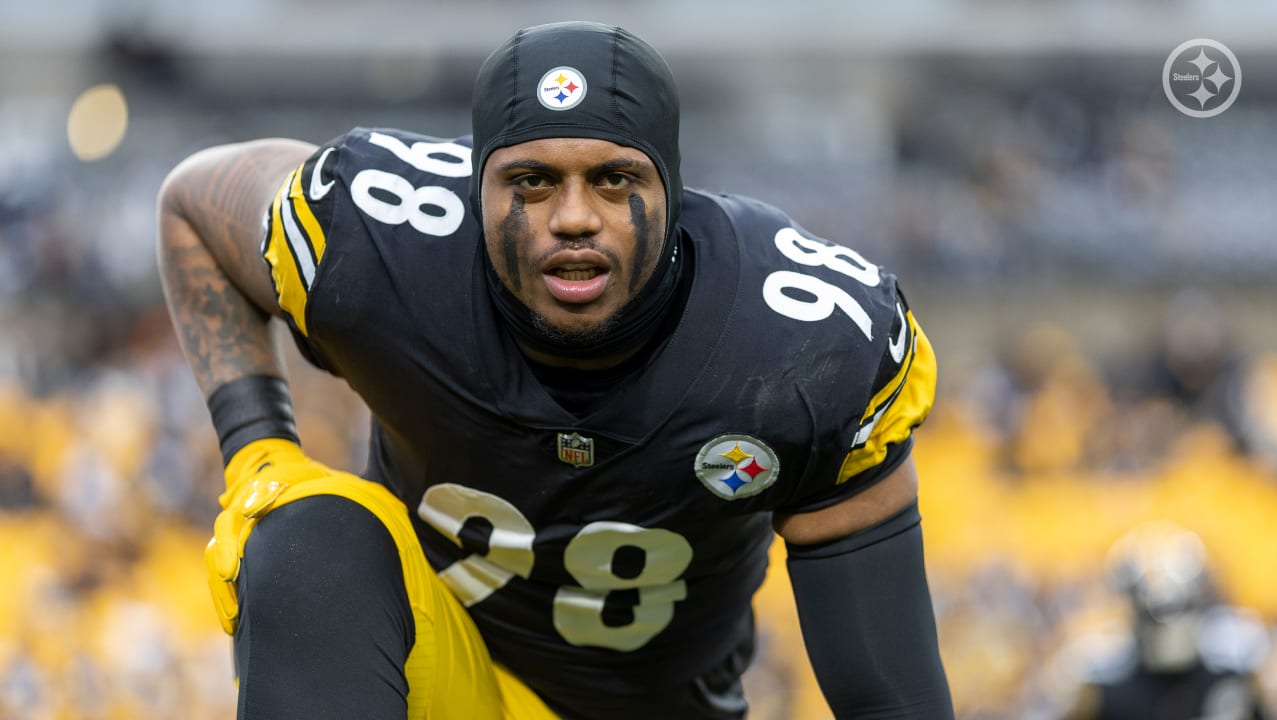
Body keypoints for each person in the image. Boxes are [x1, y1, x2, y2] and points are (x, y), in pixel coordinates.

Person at [156, 20, 953, 720]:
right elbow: (192, 203)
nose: (573, 218)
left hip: (661, 710)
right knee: (307, 536)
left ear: (672, 189)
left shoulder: (804, 348)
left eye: (614, 180)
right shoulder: (372, 239)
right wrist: (256, 448)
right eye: (531, 182)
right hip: (439, 680)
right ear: (477, 189)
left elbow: (891, 699)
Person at [1059, 521, 1273, 720]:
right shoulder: (1100, 675)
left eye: (1179, 608)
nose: (1170, 628)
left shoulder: (1235, 662)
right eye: (1157, 614)